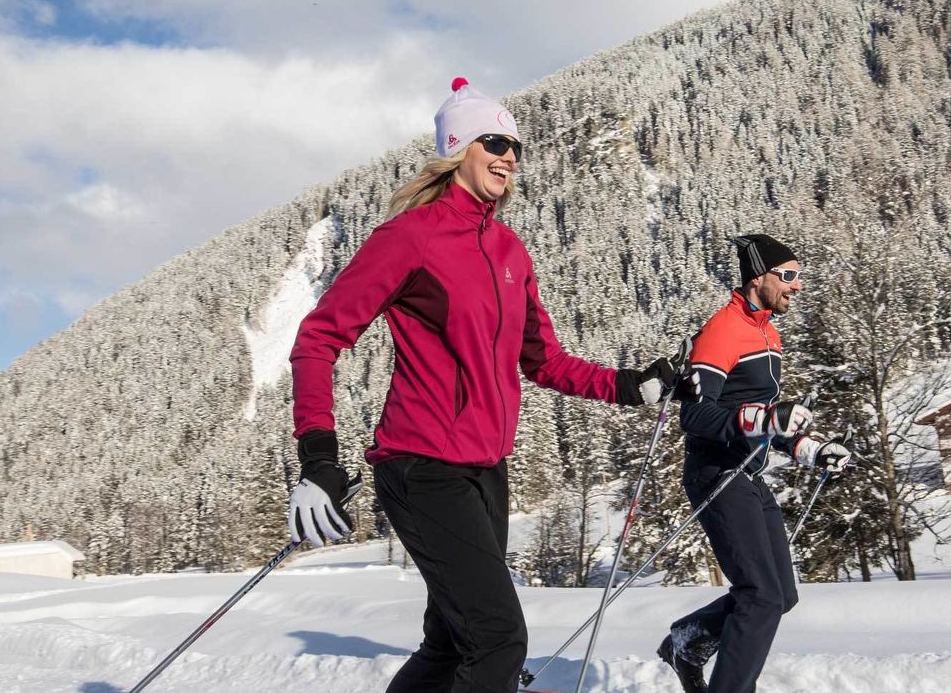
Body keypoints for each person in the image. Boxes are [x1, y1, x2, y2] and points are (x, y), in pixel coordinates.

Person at [285, 77, 678, 693]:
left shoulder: (509, 250)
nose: (510, 156)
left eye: (516, 145)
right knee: (498, 640)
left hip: (485, 470)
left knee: (450, 643)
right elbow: (318, 340)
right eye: (494, 141)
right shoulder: (411, 236)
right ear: (458, 147)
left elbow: (543, 361)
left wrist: (631, 386)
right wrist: (317, 457)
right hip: (421, 466)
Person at [656, 234, 852, 693]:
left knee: (781, 595)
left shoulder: (768, 332)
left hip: (747, 472)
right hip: (716, 472)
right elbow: (696, 415)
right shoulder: (723, 330)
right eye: (787, 276)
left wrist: (811, 449)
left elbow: (768, 422)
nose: (797, 285)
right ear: (758, 277)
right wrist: (763, 417)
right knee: (759, 598)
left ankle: (689, 640)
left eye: (799, 276)